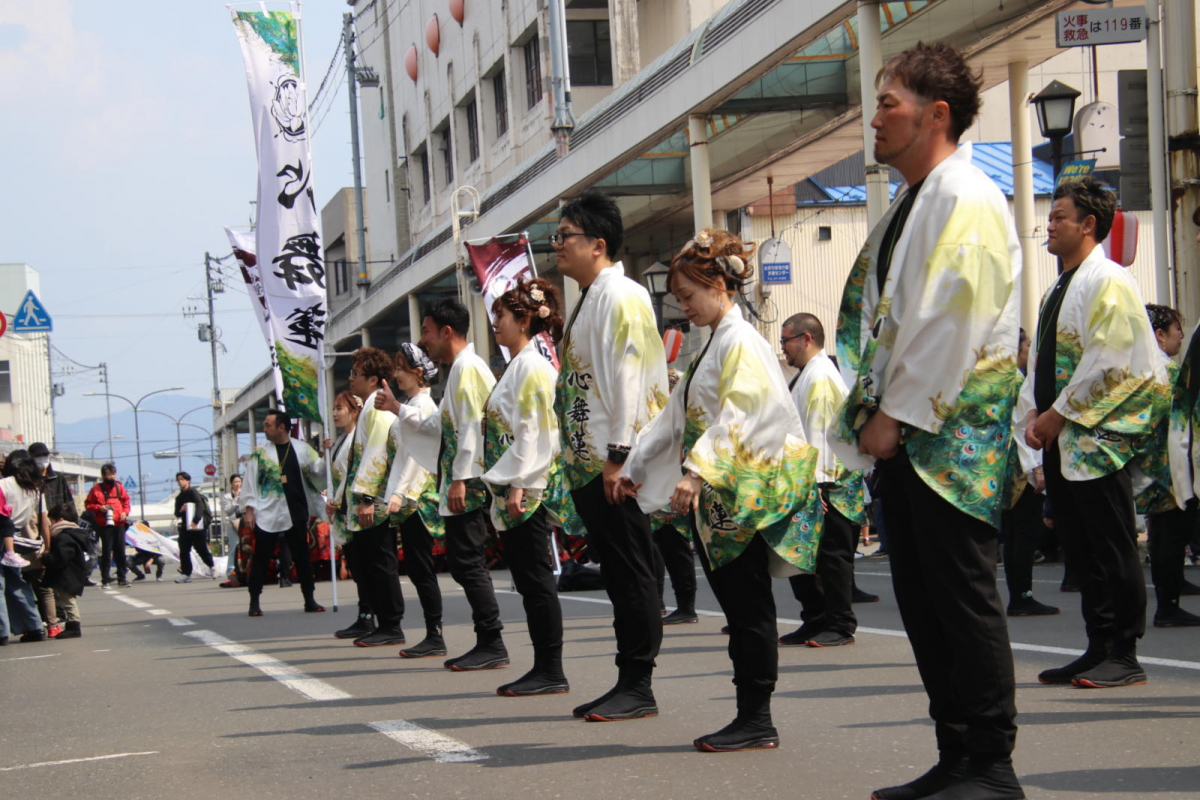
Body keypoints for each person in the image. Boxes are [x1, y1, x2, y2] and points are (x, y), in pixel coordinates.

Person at [832, 43, 1024, 800]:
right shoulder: (920, 199)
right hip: (913, 437)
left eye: (889, 103)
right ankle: (957, 755)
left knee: (961, 598)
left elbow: (951, 319)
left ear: (936, 114)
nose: (874, 119)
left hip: (946, 438)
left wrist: (894, 417)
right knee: (924, 601)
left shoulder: (965, 195)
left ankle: (992, 765)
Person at [620, 229, 823, 751]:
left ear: (720, 286)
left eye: (689, 295)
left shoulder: (740, 343)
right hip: (720, 495)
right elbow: (674, 416)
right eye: (679, 299)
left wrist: (696, 470)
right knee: (740, 607)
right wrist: (635, 463)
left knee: (748, 607)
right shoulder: (713, 343)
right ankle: (752, 715)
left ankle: (757, 717)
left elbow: (747, 414)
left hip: (735, 494)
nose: (684, 306)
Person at [1022, 177, 1166, 690]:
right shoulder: (1060, 284)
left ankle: (1123, 652)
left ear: (1089, 225)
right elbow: (1042, 363)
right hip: (1063, 437)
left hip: (1096, 437)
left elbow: (1111, 360)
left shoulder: (1108, 279)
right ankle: (1098, 645)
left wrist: (1056, 415)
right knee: (1081, 548)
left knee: (1110, 544)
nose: (1050, 223)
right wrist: (1032, 429)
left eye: (1060, 215)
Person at [552, 189, 669, 722]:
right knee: (619, 574)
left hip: (614, 464)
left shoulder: (618, 295)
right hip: (593, 460)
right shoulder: (592, 294)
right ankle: (627, 678)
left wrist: (619, 455)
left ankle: (638, 683)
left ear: (598, 244)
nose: (557, 245)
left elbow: (627, 379)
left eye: (566, 236)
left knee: (632, 570)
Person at [377, 298, 506, 670]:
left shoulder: (467, 369)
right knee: (464, 562)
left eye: (427, 331)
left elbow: (470, 430)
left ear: (445, 331)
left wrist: (461, 478)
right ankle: (488, 639)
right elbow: (443, 428)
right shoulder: (461, 369)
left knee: (468, 562)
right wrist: (398, 410)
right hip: (458, 478)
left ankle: (492, 640)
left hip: (464, 481)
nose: (424, 340)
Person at [482, 277, 582, 696]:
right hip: (519, 483)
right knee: (529, 579)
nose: (495, 325)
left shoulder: (532, 367)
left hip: (528, 486)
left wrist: (520, 486)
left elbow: (536, 431)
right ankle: (545, 665)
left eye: (501, 317)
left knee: (536, 579)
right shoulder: (521, 364)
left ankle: (550, 668)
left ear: (523, 319)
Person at [778, 312, 869, 648]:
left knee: (832, 559)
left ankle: (840, 625)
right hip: (810, 480)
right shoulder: (806, 375)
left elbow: (817, 436)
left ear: (806, 339)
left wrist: (814, 487)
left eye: (786, 340)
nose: (783, 348)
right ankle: (816, 619)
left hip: (829, 483)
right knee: (804, 557)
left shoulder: (818, 378)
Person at [329, 348, 404, 645]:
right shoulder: (370, 406)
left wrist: (368, 499)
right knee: (368, 563)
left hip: (373, 500)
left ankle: (391, 624)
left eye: (356, 374)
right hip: (363, 498)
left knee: (381, 563)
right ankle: (377, 620)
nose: (351, 379)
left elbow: (377, 454)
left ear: (373, 379)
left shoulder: (377, 406)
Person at [1131, 304, 1199, 627]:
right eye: (1175, 330)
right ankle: (1168, 606)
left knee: (1161, 533)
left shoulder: (1140, 367)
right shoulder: (1168, 373)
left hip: (1148, 465)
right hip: (1167, 466)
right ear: (1159, 335)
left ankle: (1169, 596)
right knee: (1171, 534)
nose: (1181, 336)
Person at [383, 345, 448, 658]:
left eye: (400, 368)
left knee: (421, 568)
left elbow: (416, 457)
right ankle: (432, 632)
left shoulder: (422, 405)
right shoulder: (413, 403)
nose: (396, 375)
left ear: (417, 372)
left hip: (418, 498)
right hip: (413, 495)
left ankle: (435, 634)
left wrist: (400, 492)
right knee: (419, 568)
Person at [240, 409, 327, 615]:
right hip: (268, 513)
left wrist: (327, 454)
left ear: (281, 427)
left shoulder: (302, 449)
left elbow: (319, 471)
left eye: (268, 425)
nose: (265, 429)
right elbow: (250, 483)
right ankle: (254, 602)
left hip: (296, 511)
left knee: (302, 557)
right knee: (261, 557)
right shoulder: (259, 454)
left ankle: (309, 599)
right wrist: (249, 511)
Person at [1003, 329, 1059, 617]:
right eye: (1026, 343)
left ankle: (1018, 595)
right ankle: (1022, 596)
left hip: (1005, 466)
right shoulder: (1016, 380)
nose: (1028, 348)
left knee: (1013, 535)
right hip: (1021, 466)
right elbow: (1022, 427)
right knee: (1023, 535)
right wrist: (1037, 468)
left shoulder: (1000, 378)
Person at [324, 391, 375, 639]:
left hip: (357, 507)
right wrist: (333, 501)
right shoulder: (341, 440)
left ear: (354, 411)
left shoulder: (357, 438)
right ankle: (364, 615)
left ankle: (369, 616)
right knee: (356, 564)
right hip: (344, 509)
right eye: (333, 408)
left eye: (340, 408)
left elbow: (353, 476)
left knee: (365, 565)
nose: (335, 413)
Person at [0, 450, 48, 642]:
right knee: (17, 583)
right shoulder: (36, 488)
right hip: (19, 538)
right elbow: (43, 519)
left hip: (2, 534)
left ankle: (1, 631)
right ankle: (33, 626)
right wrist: (48, 546)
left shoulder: (3, 485)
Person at [42, 503, 90, 639]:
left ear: (60, 520)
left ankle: (74, 627)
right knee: (67, 601)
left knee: (68, 602)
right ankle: (72, 626)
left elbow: (60, 558)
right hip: (73, 575)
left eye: (51, 521)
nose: (50, 525)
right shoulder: (74, 534)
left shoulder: (64, 537)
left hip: (67, 576)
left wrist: (46, 558)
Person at [84, 464, 131, 588]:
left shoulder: (119, 487)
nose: (112, 476)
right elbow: (88, 505)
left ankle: (122, 577)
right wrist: (100, 508)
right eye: (109, 474)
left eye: (113, 474)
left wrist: (124, 513)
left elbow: (126, 502)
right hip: (104, 525)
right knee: (106, 551)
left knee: (120, 551)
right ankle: (105, 579)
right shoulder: (96, 489)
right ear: (103, 476)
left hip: (119, 523)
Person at [173, 471, 214, 582]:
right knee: (184, 550)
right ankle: (186, 573)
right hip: (185, 527)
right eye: (178, 480)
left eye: (182, 479)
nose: (180, 481)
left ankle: (212, 566)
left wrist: (195, 521)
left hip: (197, 527)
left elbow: (200, 506)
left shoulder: (193, 492)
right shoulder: (179, 497)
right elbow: (176, 513)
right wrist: (181, 510)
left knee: (201, 549)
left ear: (188, 480)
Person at [29, 443, 72, 514]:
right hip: (36, 523)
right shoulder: (28, 480)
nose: (42, 459)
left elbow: (69, 503)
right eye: (38, 456)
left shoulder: (58, 479)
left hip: (58, 522)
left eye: (45, 455)